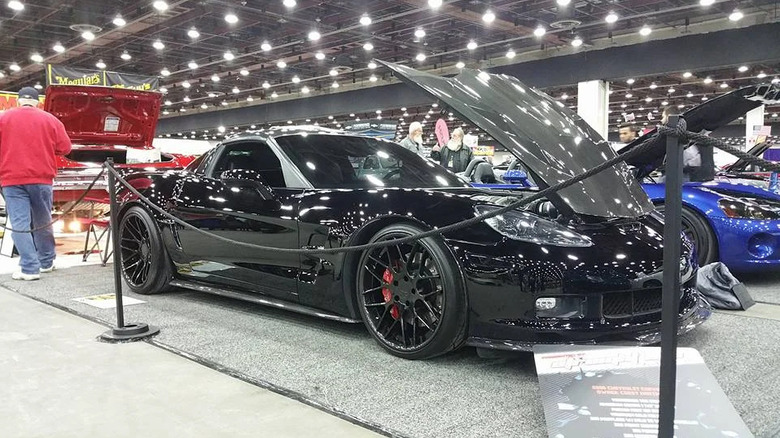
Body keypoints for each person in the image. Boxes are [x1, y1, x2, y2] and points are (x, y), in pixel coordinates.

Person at [0, 86, 72, 280]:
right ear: (37, 102)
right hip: (42, 179)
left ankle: (29, 268)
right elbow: (65, 148)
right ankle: (46, 262)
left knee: (20, 224)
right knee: (43, 221)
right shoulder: (51, 120)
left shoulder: (3, 118)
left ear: (17, 101)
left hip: (11, 179)